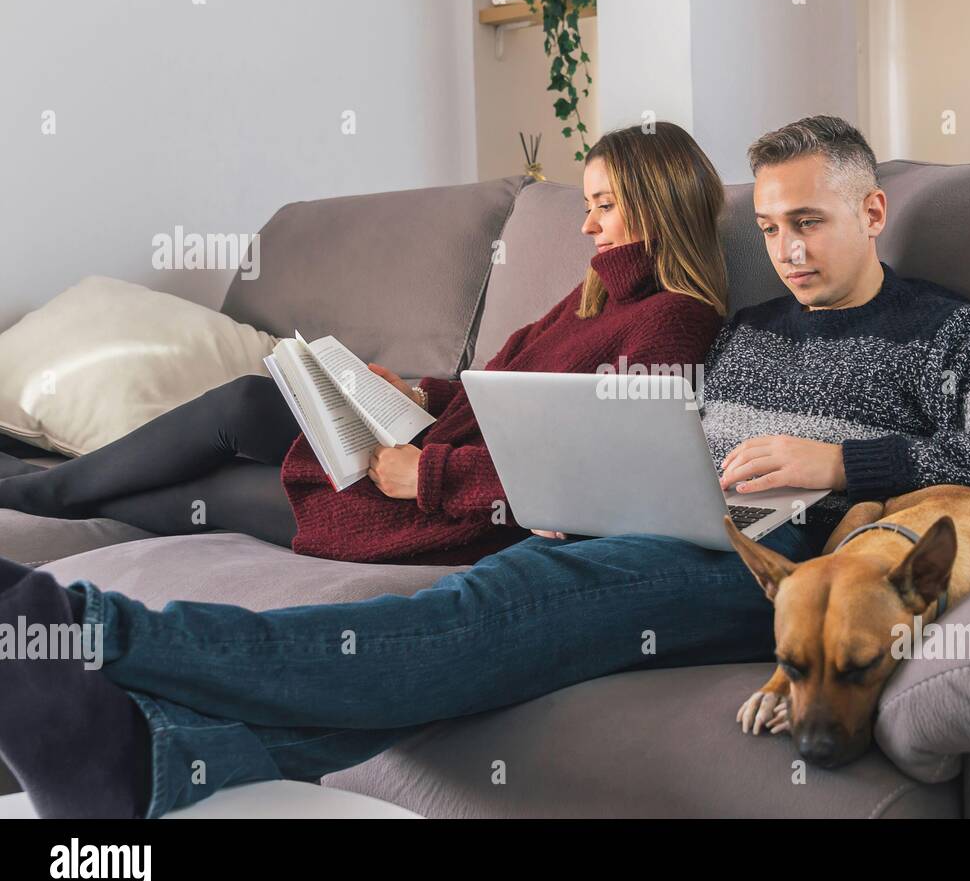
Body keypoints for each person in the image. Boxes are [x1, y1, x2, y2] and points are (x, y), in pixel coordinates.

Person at [0, 115, 970, 818]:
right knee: (474, 658)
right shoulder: (747, 329)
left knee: (483, 612)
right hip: (654, 521)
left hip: (776, 556)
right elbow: (636, 420)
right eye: (769, 228)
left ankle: (84, 628)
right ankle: (150, 764)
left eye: (810, 221)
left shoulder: (950, 337)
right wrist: (581, 484)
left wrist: (842, 458)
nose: (791, 249)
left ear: (870, 211)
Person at [0, 122, 729, 565]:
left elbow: (603, 482)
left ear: (657, 203)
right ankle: (44, 488)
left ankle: (40, 496)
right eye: (589, 204)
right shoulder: (595, 293)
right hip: (427, 449)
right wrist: (413, 393)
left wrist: (431, 477)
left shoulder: (675, 322)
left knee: (206, 495)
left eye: (603, 205)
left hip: (454, 508)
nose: (586, 225)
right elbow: (494, 390)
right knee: (253, 400)